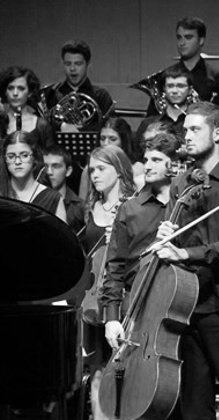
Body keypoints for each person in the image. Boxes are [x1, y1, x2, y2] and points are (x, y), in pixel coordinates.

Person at [154, 102, 219, 419]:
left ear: (217, 132)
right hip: (185, 308)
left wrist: (184, 253)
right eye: (185, 129)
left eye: (194, 129)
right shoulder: (180, 183)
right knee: (193, 407)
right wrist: (167, 236)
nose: (186, 135)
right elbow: (174, 243)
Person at [101, 132, 181, 349]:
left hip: (180, 305)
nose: (147, 166)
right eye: (146, 160)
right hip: (136, 305)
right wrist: (111, 317)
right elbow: (115, 266)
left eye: (156, 160)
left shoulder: (188, 206)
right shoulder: (130, 209)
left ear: (174, 165)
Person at [81, 144, 136, 420]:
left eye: (101, 168)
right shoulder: (90, 208)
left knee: (125, 364)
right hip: (94, 299)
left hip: (125, 295)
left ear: (119, 169)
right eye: (92, 170)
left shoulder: (133, 206)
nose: (94, 175)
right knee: (97, 366)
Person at [145, 17, 219, 116]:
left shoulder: (218, 77)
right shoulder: (164, 77)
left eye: (188, 37)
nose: (182, 43)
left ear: (201, 40)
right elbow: (152, 117)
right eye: (179, 37)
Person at [40, 40, 114, 132]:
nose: (72, 68)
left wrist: (81, 128)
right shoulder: (51, 94)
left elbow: (109, 127)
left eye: (78, 64)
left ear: (88, 64)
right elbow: (43, 124)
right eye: (68, 64)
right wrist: (61, 125)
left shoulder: (101, 96)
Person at [2, 131, 65, 219]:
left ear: (34, 158)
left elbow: (62, 232)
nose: (17, 162)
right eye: (11, 156)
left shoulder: (53, 198)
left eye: (24, 155)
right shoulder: (1, 194)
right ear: (5, 159)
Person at [0, 66, 54, 148]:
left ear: (30, 93)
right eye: (10, 88)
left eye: (21, 88)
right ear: (5, 92)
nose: (15, 93)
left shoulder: (42, 126)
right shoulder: (1, 122)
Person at [43, 145, 85, 232]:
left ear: (68, 171)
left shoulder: (78, 207)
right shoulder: (35, 200)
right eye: (46, 166)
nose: (49, 172)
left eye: (55, 166)